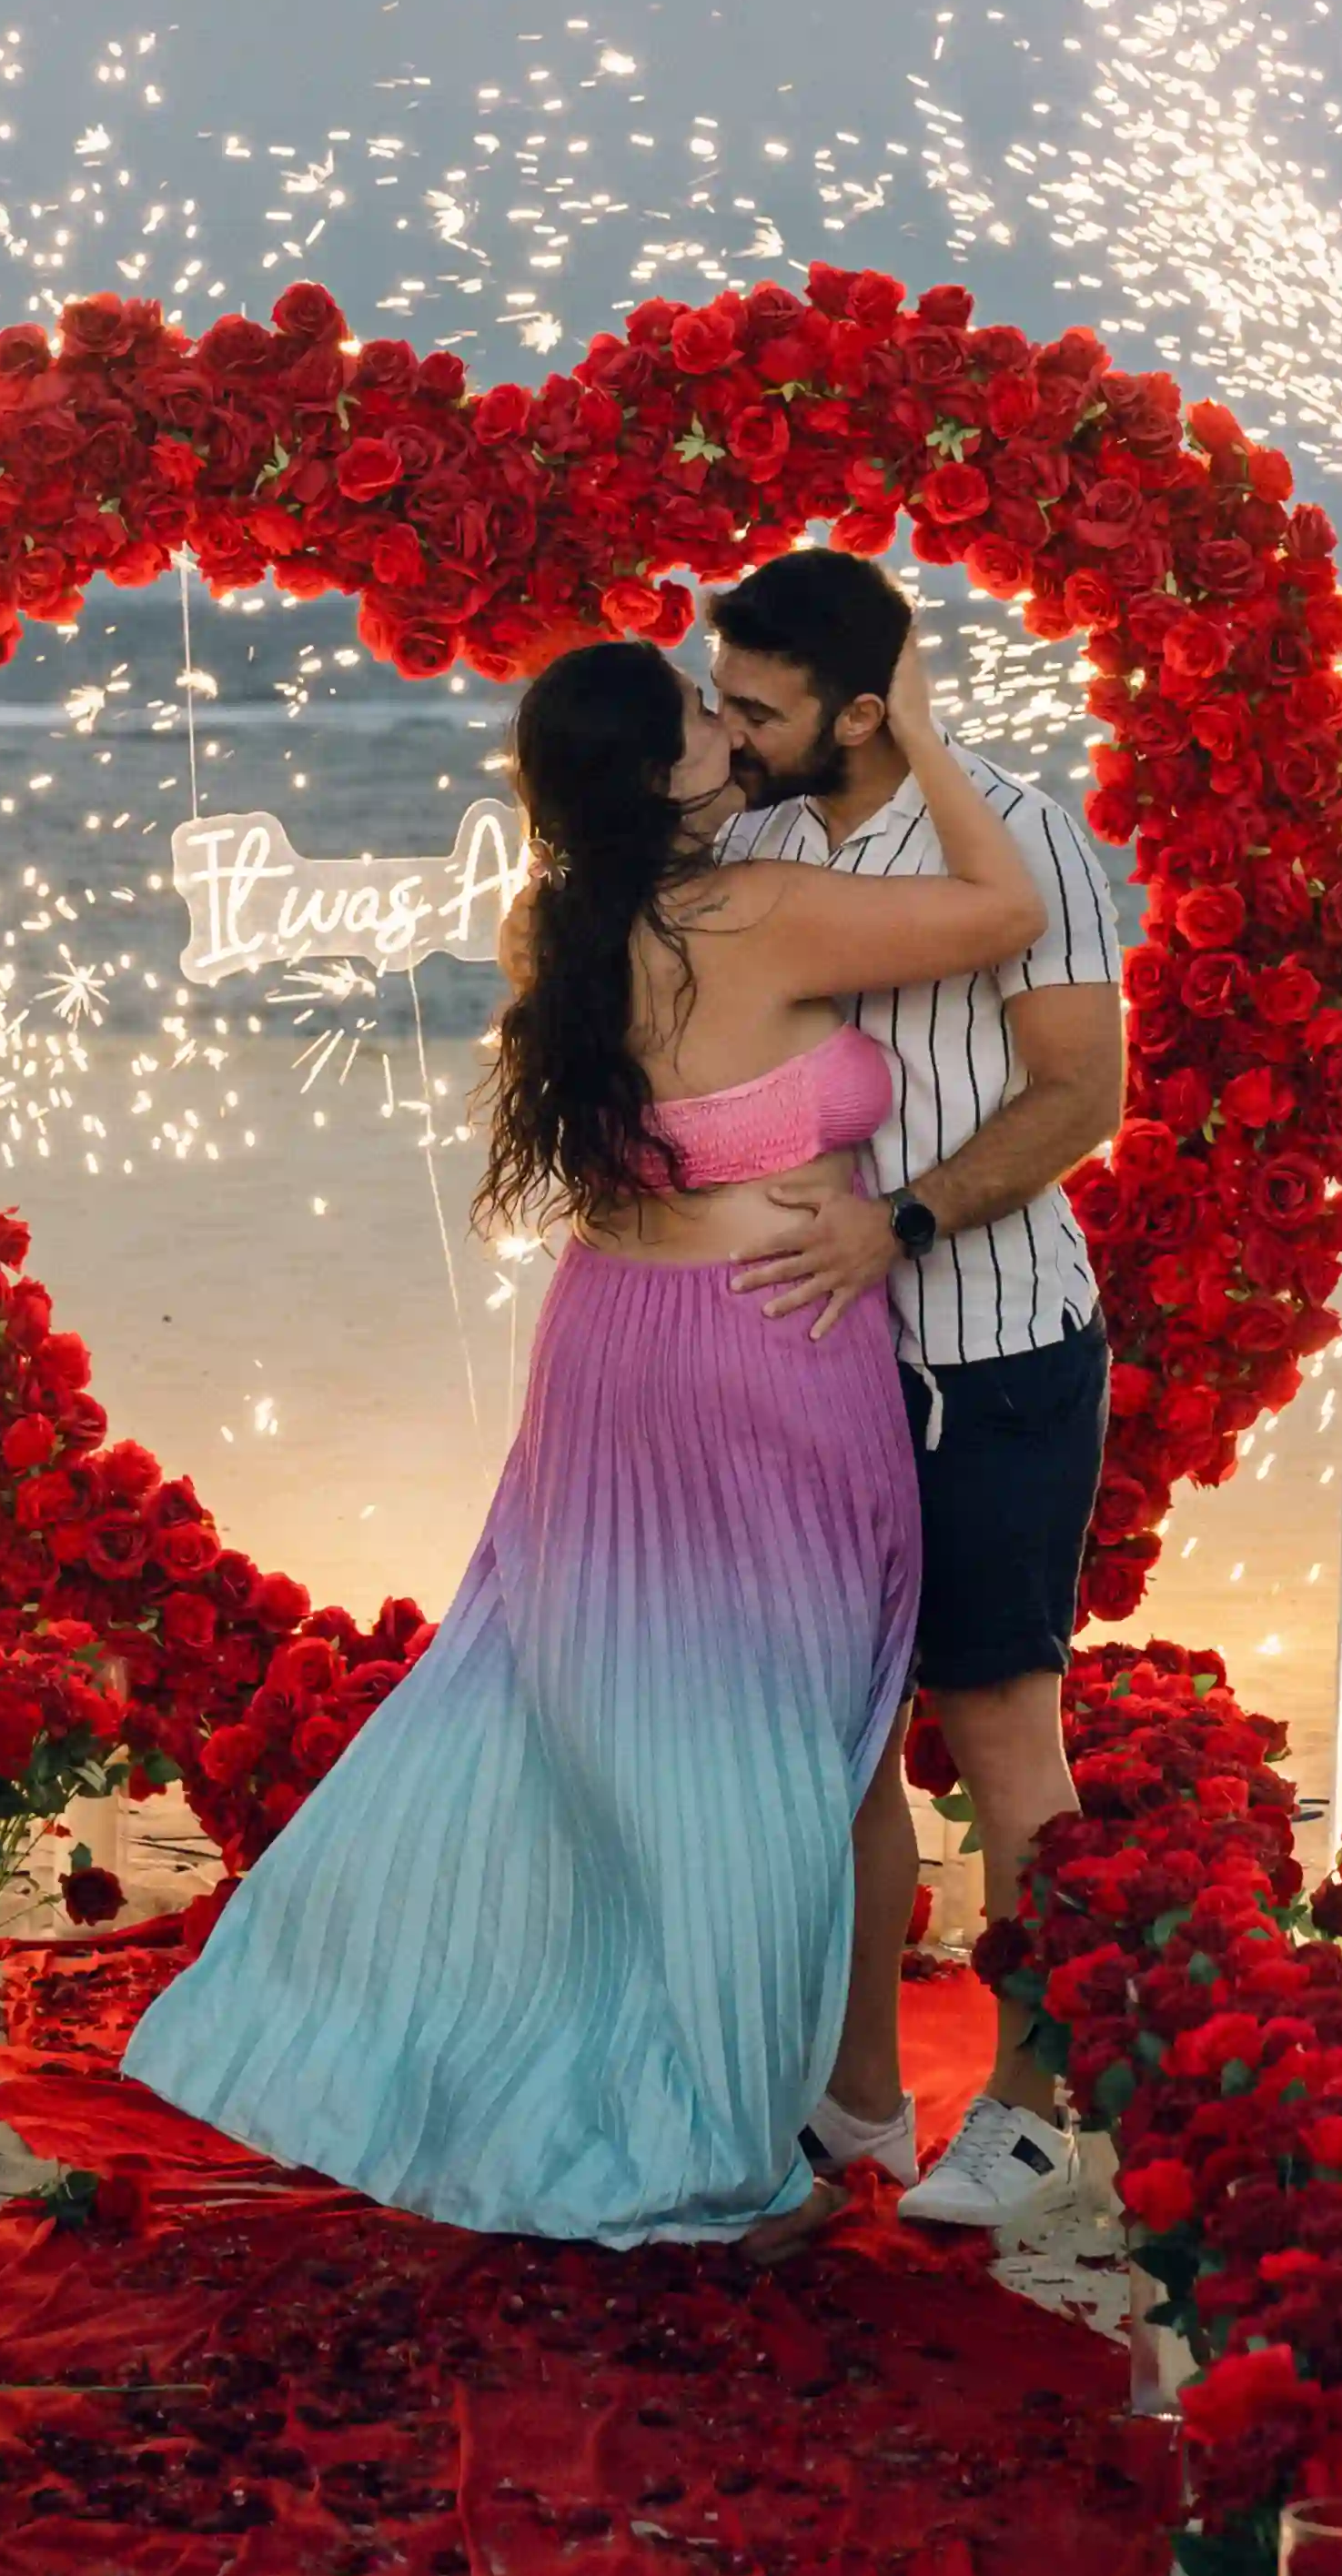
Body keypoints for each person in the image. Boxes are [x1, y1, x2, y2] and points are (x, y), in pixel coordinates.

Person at [121, 618, 1044, 2244]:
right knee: (771, 1745)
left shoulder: (545, 920)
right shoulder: (756, 909)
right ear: (655, 778)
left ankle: (795, 2090)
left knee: (601, 1715)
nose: (729, 733)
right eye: (701, 721)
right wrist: (913, 723)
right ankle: (725, 2132)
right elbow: (1006, 911)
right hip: (765, 1354)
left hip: (611, 1346)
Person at [708, 551, 1128, 2241]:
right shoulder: (748, 842)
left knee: (1000, 1727)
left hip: (988, 1349)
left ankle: (1029, 2110)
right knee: (838, 1738)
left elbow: (1080, 1092)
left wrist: (902, 1221)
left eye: (758, 706)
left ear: (864, 711)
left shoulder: (1017, 832)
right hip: (803, 1364)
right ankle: (859, 2095)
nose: (729, 731)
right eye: (719, 700)